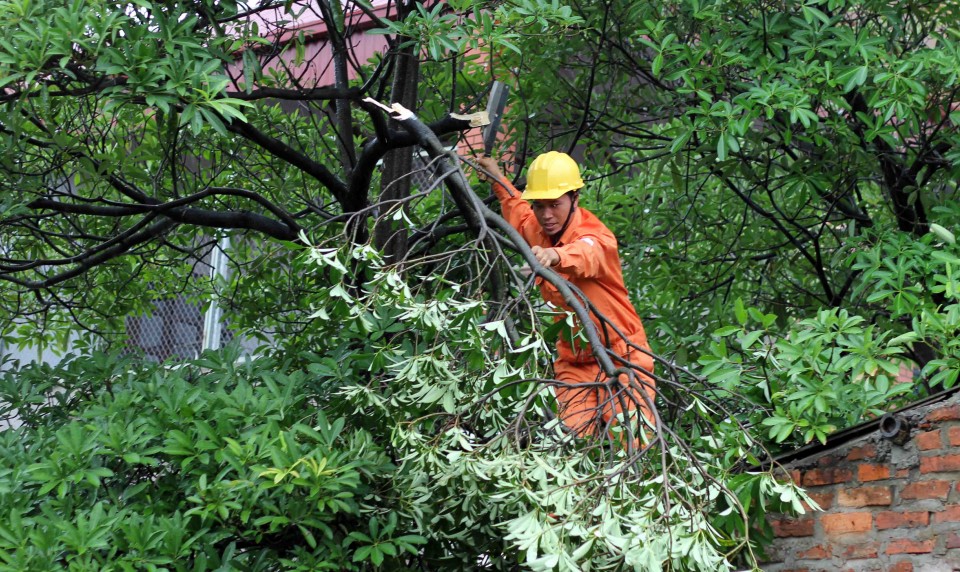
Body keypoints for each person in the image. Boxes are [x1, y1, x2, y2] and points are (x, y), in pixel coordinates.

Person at [472, 151, 656, 439]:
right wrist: (496, 177)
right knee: (570, 442)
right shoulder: (537, 228)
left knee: (631, 442)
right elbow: (516, 209)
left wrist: (554, 255)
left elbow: (586, 253)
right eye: (540, 205)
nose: (546, 215)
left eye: (554, 205)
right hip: (574, 361)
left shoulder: (596, 236)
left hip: (624, 355)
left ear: (575, 198)